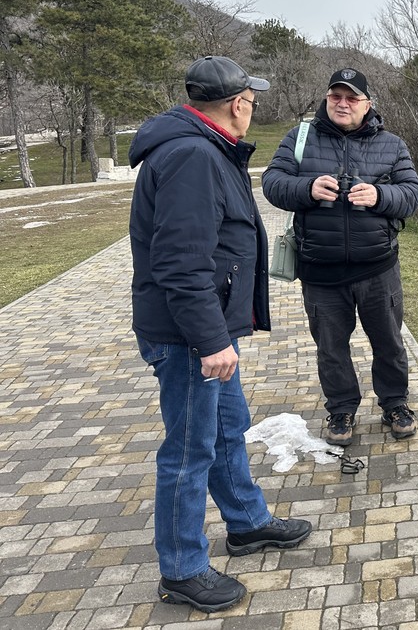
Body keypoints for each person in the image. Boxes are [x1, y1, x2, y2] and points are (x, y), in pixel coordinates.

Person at [129, 56, 312, 613]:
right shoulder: (191, 155)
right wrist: (211, 340)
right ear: (238, 104)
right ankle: (183, 569)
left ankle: (247, 523)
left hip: (205, 328)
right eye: (251, 99)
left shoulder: (204, 147)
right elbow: (182, 263)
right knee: (188, 450)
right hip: (189, 335)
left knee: (229, 428)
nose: (252, 107)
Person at [262, 68, 418, 446]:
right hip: (321, 271)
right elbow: (272, 182)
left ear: (367, 104)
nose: (343, 103)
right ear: (327, 99)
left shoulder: (392, 144)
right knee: (331, 348)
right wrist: (307, 187)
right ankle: (341, 409)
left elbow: (413, 193)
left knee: (389, 343)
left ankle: (395, 403)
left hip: (378, 268)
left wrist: (382, 198)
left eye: (352, 97)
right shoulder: (301, 138)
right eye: (336, 96)